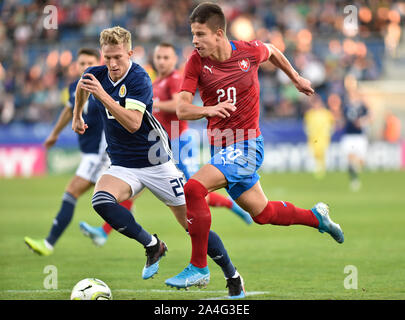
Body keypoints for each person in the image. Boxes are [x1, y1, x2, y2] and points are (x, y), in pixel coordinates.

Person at [165, 2, 344, 290]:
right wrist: (208, 111)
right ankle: (316, 217)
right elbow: (183, 110)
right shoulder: (196, 62)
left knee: (193, 189)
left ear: (219, 33)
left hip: (248, 146)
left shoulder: (248, 52)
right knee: (263, 214)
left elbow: (272, 50)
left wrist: (295, 78)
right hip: (221, 149)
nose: (195, 41)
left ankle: (199, 267)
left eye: (200, 34)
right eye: (192, 34)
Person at [71, 26, 246, 298]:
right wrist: (77, 116)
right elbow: (84, 84)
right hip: (123, 165)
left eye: (118, 57)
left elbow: (133, 123)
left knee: (192, 225)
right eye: (107, 58)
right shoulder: (96, 74)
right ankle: (153, 245)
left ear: (130, 53)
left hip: (157, 162)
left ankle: (232, 275)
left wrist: (102, 96)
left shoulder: (140, 78)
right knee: (101, 201)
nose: (113, 64)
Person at [79, 43, 252, 244]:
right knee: (135, 188)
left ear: (173, 60)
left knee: (192, 191)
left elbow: (180, 106)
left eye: (166, 58)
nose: (161, 61)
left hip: (180, 139)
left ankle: (231, 206)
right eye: (158, 57)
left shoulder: (174, 80)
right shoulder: (154, 81)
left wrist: (153, 104)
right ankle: (105, 231)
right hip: (157, 145)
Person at [24, 48, 134, 255]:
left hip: (100, 153)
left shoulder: (105, 84)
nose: (85, 67)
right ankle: (113, 234)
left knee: (73, 192)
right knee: (121, 196)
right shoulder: (75, 87)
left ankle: (49, 244)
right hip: (88, 153)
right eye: (81, 63)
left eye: (89, 63)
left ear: (98, 62)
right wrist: (54, 133)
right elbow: (69, 110)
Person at [340, 90, 371, 191]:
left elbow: (370, 117)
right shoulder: (346, 107)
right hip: (349, 136)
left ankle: (356, 171)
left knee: (361, 162)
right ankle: (354, 180)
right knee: (350, 159)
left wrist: (362, 122)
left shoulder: (362, 107)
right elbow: (343, 120)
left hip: (359, 136)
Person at [303, 95, 335, 179]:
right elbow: (306, 125)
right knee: (314, 153)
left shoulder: (326, 113)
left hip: (323, 137)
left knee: (323, 153)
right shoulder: (309, 114)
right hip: (313, 138)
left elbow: (332, 125)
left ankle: (322, 170)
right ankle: (317, 169)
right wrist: (309, 131)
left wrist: (329, 132)